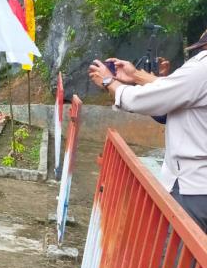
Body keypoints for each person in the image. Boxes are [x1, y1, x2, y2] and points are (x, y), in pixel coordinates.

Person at [87, 28, 207, 233]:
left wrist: (109, 82)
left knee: (179, 258)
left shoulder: (202, 68)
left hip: (193, 187)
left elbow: (142, 100)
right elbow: (176, 91)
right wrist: (136, 77)